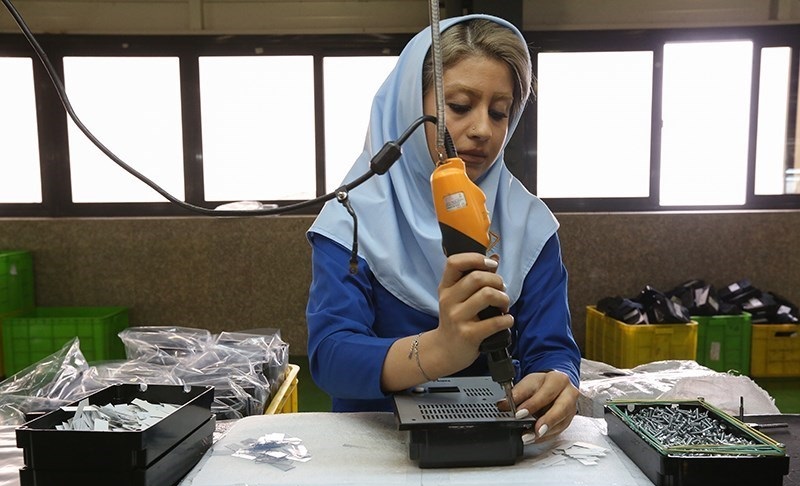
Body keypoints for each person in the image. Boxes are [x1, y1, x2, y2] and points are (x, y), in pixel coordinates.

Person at [306, 13, 581, 444]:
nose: (481, 130)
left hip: (498, 445)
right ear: (409, 106)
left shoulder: (530, 225)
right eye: (458, 106)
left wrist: (558, 378)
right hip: (376, 448)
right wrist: (439, 350)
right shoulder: (352, 219)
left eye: (499, 112)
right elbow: (332, 356)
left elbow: (552, 348)